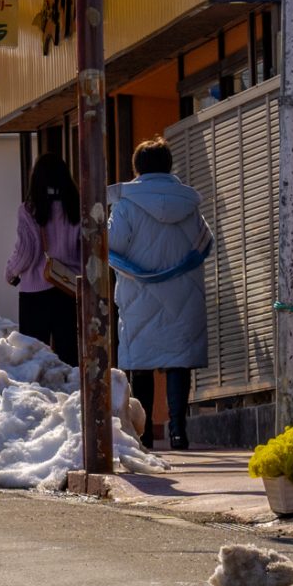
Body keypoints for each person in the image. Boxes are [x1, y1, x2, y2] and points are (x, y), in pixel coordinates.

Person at [109, 138, 211, 451]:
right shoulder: (189, 204)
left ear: (136, 168)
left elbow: (112, 245)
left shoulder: (125, 204)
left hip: (140, 292)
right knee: (179, 362)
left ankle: (145, 436)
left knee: (141, 361)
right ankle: (179, 431)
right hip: (183, 293)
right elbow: (204, 242)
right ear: (169, 166)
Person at [6, 153, 82, 366]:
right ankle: (70, 397)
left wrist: (11, 272)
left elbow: (26, 252)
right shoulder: (77, 208)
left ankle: (41, 398)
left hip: (35, 293)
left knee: (33, 358)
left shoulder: (29, 210)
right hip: (69, 290)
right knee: (69, 356)